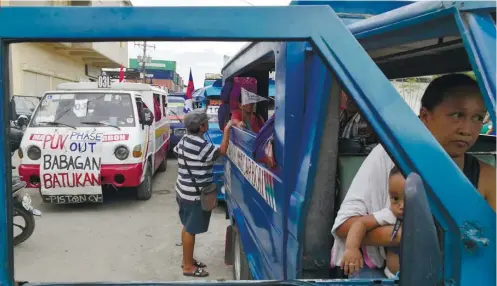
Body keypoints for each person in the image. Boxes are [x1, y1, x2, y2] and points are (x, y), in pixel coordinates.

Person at [331, 73, 496, 278]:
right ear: (425, 117)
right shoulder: (389, 157)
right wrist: (410, 237)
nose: (467, 129)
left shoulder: (488, 177)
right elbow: (345, 227)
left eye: (478, 118)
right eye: (457, 115)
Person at [173, 109, 232, 277]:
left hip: (182, 190)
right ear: (201, 127)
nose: (207, 124)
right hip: (194, 195)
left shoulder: (184, 139)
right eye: (206, 122)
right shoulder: (201, 146)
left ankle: (187, 259)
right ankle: (188, 267)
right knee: (190, 229)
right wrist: (227, 129)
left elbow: (177, 151)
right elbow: (221, 151)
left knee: (186, 227)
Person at [340, 166, 404, 278]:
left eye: (409, 198)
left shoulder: (427, 217)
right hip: (393, 278)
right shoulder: (390, 215)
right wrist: (352, 248)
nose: (401, 206)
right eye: (395, 198)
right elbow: (361, 223)